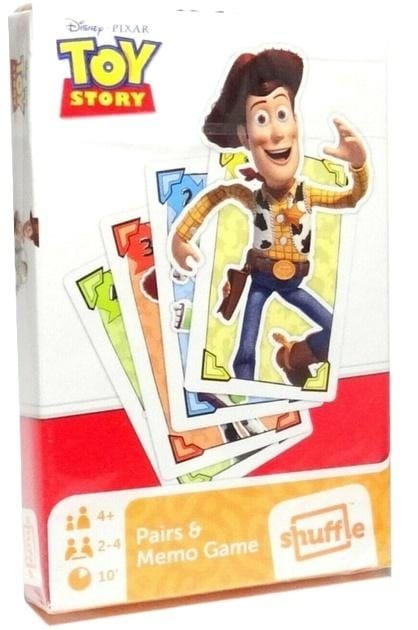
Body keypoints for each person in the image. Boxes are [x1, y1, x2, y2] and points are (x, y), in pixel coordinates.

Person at [170, 49, 368, 386]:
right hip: (260, 279)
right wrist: (181, 237)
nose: (276, 133)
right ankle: (247, 399)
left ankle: (296, 355)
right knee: (246, 349)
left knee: (336, 330)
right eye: (262, 119)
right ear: (245, 137)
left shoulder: (308, 194)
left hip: (294, 282)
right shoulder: (253, 197)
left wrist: (358, 165)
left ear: (296, 123)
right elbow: (219, 195)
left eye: (282, 114)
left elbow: (351, 197)